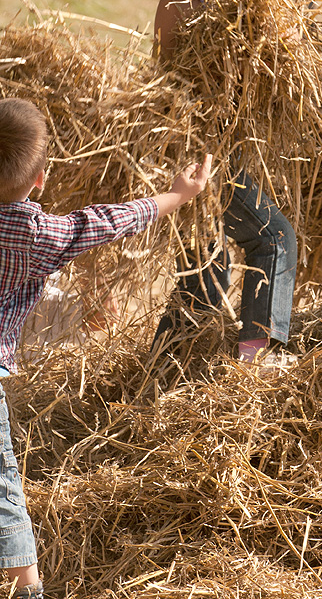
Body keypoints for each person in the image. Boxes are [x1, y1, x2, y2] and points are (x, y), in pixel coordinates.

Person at [0, 96, 211, 599]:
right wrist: (177, 196)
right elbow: (104, 222)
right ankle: (29, 590)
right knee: (5, 489)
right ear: (40, 179)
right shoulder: (35, 232)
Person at [152, 0, 298, 367]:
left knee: (202, 273)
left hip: (234, 150)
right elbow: (164, 83)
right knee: (273, 238)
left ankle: (162, 366)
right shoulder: (178, 6)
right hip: (201, 153)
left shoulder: (264, 0)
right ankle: (257, 353)